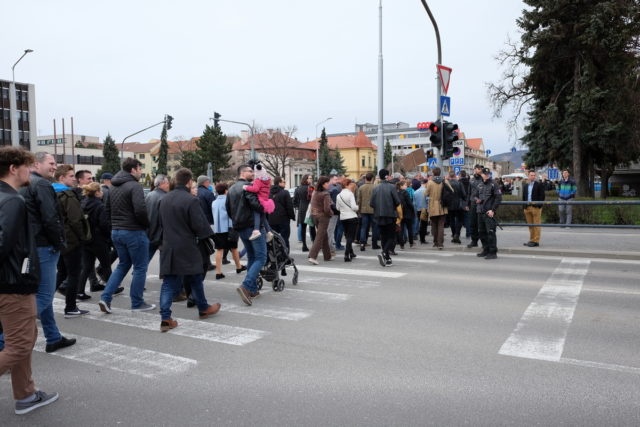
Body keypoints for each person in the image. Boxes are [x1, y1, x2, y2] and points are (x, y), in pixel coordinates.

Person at [0, 146, 60, 416]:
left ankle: (25, 395)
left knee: (24, 337)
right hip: (13, 284)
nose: (30, 170)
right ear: (14, 168)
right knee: (20, 344)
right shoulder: (12, 200)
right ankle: (25, 395)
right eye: (26, 165)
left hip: (10, 282)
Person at [20, 152, 75, 353]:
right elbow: (51, 218)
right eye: (51, 163)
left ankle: (53, 337)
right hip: (45, 245)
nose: (55, 166)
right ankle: (3, 340)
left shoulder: (25, 183)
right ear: (36, 163)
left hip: (33, 244)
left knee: (43, 293)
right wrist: (60, 242)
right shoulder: (41, 184)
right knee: (44, 295)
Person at [157, 168, 221, 332]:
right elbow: (200, 225)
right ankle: (203, 307)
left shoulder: (164, 199)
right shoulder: (191, 200)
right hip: (187, 246)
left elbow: (160, 223)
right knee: (196, 278)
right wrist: (210, 236)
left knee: (169, 283)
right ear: (189, 182)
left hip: (168, 246)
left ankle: (166, 317)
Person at [98, 157, 154, 313]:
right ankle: (137, 302)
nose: (141, 172)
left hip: (117, 231)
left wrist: (114, 227)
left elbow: (107, 210)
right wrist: (145, 225)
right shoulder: (135, 186)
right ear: (133, 170)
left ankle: (106, 297)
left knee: (122, 265)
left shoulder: (113, 187)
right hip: (133, 231)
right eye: (140, 169)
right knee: (140, 267)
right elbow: (140, 210)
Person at [52, 165, 90, 317]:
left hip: (59, 238)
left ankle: (42, 303)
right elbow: (75, 219)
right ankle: (71, 307)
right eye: (71, 176)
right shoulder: (67, 194)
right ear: (61, 178)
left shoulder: (49, 192)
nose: (74, 179)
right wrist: (83, 237)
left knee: (61, 273)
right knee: (74, 273)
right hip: (72, 240)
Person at [227, 164, 267, 305]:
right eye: (251, 171)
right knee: (261, 257)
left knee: (251, 256)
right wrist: (266, 205)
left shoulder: (231, 189)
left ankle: (253, 289)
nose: (253, 173)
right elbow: (256, 205)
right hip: (252, 227)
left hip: (240, 227)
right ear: (243, 173)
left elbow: (228, 209)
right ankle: (246, 285)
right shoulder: (248, 187)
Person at [78, 182, 112, 299]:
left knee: (87, 266)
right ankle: (112, 288)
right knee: (106, 265)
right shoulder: (99, 205)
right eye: (101, 191)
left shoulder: (83, 203)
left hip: (85, 239)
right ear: (97, 192)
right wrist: (108, 237)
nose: (102, 193)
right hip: (98, 239)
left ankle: (80, 291)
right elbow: (104, 224)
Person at [211, 183, 246, 280]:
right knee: (234, 248)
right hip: (229, 227)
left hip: (218, 229)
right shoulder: (228, 200)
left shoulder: (214, 202)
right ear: (226, 190)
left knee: (219, 250)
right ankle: (238, 267)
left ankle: (218, 272)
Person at [370, 169, 400, 267]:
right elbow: (397, 201)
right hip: (390, 215)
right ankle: (384, 252)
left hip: (378, 215)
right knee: (391, 236)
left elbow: (371, 203)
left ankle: (387, 258)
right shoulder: (392, 187)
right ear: (387, 176)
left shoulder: (375, 188)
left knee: (383, 236)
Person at [475, 168, 502, 260]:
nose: (486, 175)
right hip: (480, 211)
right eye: (484, 174)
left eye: (488, 174)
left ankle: (493, 252)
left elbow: (498, 198)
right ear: (481, 174)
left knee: (490, 232)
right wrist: (476, 199)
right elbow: (473, 195)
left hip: (489, 212)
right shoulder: (479, 184)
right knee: (481, 232)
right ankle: (485, 249)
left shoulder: (494, 184)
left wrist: (493, 210)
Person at [243, 162, 275, 241]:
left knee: (256, 213)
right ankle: (269, 231)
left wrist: (246, 187)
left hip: (260, 200)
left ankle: (256, 230)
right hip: (266, 200)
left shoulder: (258, 180)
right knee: (263, 217)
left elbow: (255, 189)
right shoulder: (267, 180)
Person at [307, 176, 334, 264]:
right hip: (323, 217)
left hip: (314, 216)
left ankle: (327, 256)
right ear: (323, 184)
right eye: (327, 183)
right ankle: (312, 256)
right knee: (320, 236)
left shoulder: (315, 192)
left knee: (323, 235)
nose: (329, 184)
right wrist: (331, 214)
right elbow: (327, 208)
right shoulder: (326, 194)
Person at [145, 174, 169, 263]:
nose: (168, 185)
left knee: (144, 260)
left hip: (149, 232)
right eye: (167, 183)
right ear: (161, 183)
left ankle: (137, 274)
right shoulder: (164, 197)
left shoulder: (149, 195)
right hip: (160, 234)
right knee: (165, 259)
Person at [268, 176, 295, 251]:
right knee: (284, 238)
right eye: (284, 182)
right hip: (283, 219)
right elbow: (289, 206)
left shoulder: (269, 192)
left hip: (271, 219)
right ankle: (285, 253)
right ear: (279, 183)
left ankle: (275, 253)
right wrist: (292, 216)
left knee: (273, 238)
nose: (285, 183)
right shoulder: (285, 192)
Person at [336, 178, 359, 262]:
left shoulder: (338, 195)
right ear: (347, 185)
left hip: (343, 218)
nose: (351, 186)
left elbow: (337, 208)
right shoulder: (350, 194)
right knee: (350, 237)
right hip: (352, 217)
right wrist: (358, 207)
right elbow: (353, 207)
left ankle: (351, 252)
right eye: (350, 184)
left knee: (347, 235)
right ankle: (346, 254)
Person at [196, 176, 216, 270]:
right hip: (206, 220)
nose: (209, 183)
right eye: (208, 182)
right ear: (204, 182)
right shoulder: (208, 193)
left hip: (196, 219)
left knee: (200, 242)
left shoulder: (194, 191)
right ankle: (207, 263)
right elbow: (213, 207)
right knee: (206, 242)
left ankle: (203, 262)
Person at [522, 170, 546, 247]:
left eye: (533, 175)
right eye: (531, 175)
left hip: (535, 207)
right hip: (527, 207)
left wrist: (539, 206)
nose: (532, 176)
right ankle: (531, 240)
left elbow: (542, 196)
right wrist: (524, 207)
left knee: (536, 224)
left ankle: (536, 241)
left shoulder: (538, 185)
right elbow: (524, 197)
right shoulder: (526, 186)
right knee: (530, 225)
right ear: (528, 176)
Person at [356, 172, 379, 251]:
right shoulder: (376, 187)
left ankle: (362, 243)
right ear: (372, 179)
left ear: (365, 179)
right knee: (374, 227)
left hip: (363, 210)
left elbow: (359, 200)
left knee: (364, 227)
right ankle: (374, 244)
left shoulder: (361, 187)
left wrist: (359, 211)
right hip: (374, 210)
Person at [426, 167, 448, 249]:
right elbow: (451, 190)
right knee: (441, 225)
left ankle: (435, 242)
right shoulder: (444, 181)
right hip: (442, 206)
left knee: (434, 225)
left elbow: (425, 193)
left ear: (433, 173)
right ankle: (440, 244)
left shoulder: (430, 182)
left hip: (432, 206)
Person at [293, 174, 315, 252]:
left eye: (311, 178)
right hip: (310, 208)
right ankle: (314, 244)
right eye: (310, 178)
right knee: (312, 226)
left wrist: (299, 206)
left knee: (303, 227)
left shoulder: (298, 189)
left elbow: (294, 201)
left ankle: (304, 245)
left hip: (302, 208)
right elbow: (314, 199)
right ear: (306, 179)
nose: (311, 179)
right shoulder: (311, 188)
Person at [445, 170, 467, 244]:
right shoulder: (459, 183)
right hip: (459, 204)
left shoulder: (447, 184)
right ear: (454, 176)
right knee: (459, 220)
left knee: (451, 220)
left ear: (449, 176)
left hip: (449, 205)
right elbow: (464, 195)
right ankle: (457, 235)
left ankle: (454, 234)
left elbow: (445, 195)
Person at [466, 165, 484, 248]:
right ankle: (474, 241)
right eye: (478, 169)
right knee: (473, 223)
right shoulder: (471, 180)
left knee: (481, 224)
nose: (480, 170)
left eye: (481, 169)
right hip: (473, 204)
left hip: (482, 204)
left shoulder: (484, 179)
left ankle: (484, 243)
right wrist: (467, 204)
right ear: (475, 170)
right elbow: (469, 193)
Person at [397, 180, 415, 249]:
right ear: (401, 186)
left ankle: (402, 244)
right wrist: (412, 210)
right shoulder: (405, 193)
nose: (406, 186)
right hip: (407, 213)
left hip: (400, 213)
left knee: (401, 229)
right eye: (405, 185)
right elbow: (410, 203)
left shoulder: (397, 193)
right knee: (409, 228)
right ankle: (411, 242)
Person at [414, 179, 429, 244]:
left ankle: (420, 237)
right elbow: (428, 200)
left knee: (419, 223)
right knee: (424, 225)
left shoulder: (416, 192)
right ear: (426, 183)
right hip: (424, 210)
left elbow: (414, 203)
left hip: (418, 209)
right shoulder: (426, 191)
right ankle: (422, 239)